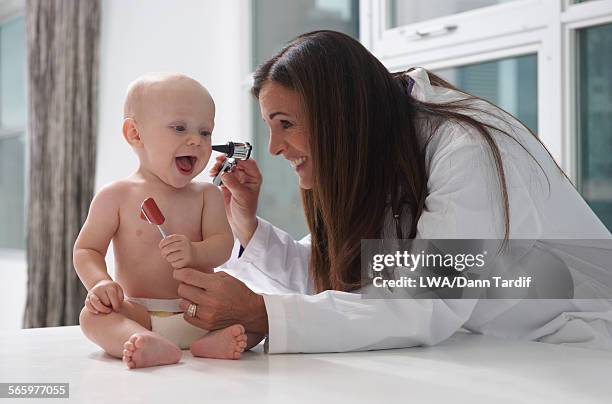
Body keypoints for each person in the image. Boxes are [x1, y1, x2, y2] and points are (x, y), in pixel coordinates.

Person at [173, 30, 612, 353]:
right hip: (489, 340)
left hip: (575, 343)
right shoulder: (383, 147)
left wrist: (262, 313)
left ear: (338, 115)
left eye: (286, 124)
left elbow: (424, 300)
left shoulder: (464, 149)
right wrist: (246, 224)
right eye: (270, 127)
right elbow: (349, 275)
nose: (274, 147)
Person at [74, 73, 263, 369]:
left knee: (258, 321)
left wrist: (195, 252)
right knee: (92, 317)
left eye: (205, 132)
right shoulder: (116, 195)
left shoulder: (206, 195)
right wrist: (100, 282)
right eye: (179, 128)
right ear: (135, 134)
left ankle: (208, 344)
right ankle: (142, 340)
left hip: (201, 312)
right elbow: (87, 250)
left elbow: (223, 246)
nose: (196, 141)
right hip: (140, 312)